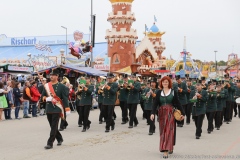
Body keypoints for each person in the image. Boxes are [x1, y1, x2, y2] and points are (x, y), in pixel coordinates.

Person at [150, 76, 185, 159]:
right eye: (163, 82)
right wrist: (152, 113)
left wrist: (183, 113)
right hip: (161, 113)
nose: (165, 83)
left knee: (169, 130)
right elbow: (155, 104)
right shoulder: (159, 92)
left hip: (170, 113)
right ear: (161, 83)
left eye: (166, 82)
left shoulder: (173, 92)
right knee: (163, 131)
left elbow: (178, 103)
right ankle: (167, 147)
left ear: (169, 83)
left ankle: (166, 150)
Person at [41, 69, 69, 149]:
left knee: (54, 126)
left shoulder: (62, 86)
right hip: (49, 108)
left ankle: (50, 143)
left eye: (53, 75)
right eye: (50, 75)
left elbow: (65, 98)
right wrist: (47, 99)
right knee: (52, 126)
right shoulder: (46, 86)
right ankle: (59, 138)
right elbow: (42, 96)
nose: (51, 76)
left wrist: (67, 109)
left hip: (57, 108)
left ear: (57, 76)